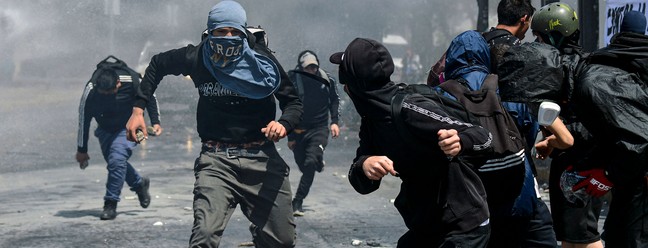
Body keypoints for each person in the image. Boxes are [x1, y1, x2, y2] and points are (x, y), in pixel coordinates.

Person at [125, 1, 302, 247]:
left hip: (262, 158)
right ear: (210, 31)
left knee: (282, 241)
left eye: (234, 32)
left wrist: (283, 124)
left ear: (243, 32)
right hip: (216, 160)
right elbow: (157, 64)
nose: (228, 38)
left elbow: (293, 103)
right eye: (221, 32)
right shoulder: (197, 57)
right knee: (204, 236)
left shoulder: (263, 64)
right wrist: (137, 110)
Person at [498, 4, 648, 247]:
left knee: (620, 239)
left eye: (539, 39)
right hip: (619, 173)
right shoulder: (583, 74)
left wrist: (607, 175)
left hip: (630, 175)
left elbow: (640, 139)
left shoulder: (592, 82)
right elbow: (600, 130)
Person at [331, 37, 493, 247]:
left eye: (346, 84)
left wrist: (461, 140)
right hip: (425, 226)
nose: (344, 89)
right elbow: (362, 184)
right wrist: (365, 165)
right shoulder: (371, 120)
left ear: (354, 86)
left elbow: (484, 137)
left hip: (463, 226)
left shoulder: (410, 108)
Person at [529, 3, 603, 248]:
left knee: (585, 237)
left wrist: (552, 139)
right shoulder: (588, 62)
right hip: (578, 161)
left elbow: (577, 126)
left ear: (552, 35)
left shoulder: (563, 67)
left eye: (539, 36)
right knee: (571, 238)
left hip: (578, 163)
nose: (537, 42)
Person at [76, 61, 161, 221]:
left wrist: (155, 122)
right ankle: (139, 184)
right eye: (104, 94)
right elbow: (83, 119)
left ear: (118, 83)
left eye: (112, 92)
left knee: (116, 160)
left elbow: (149, 95)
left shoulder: (132, 80)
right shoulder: (91, 90)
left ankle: (110, 203)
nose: (108, 97)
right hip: (105, 130)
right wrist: (82, 150)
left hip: (128, 127)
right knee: (117, 163)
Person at [286, 50, 340, 217]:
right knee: (303, 164)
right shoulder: (293, 80)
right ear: (301, 68)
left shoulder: (327, 79)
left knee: (309, 163)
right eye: (308, 68)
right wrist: (290, 136)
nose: (312, 71)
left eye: (314, 68)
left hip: (319, 128)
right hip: (299, 130)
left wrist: (335, 122)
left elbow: (334, 100)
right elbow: (287, 107)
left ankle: (298, 201)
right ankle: (318, 160)